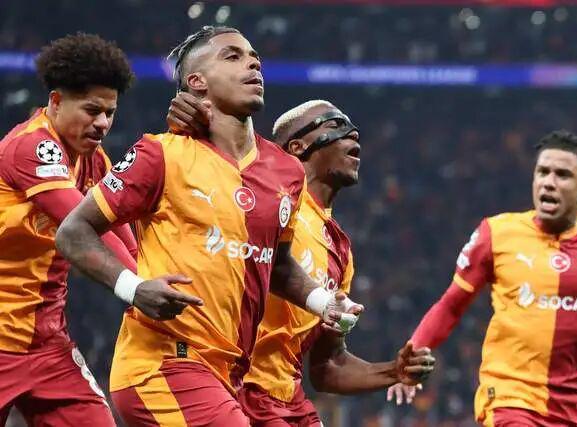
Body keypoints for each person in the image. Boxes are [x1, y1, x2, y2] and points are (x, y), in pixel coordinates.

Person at [55, 26, 362, 426]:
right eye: (232, 56)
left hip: (228, 374)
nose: (252, 64)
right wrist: (133, 288)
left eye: (254, 58)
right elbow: (73, 232)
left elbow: (277, 264)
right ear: (197, 82)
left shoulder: (285, 172)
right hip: (164, 363)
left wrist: (323, 302)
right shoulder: (161, 154)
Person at [168, 96, 435, 426]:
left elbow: (327, 366)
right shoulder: (264, 205)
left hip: (289, 400)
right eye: (336, 125)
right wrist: (197, 123)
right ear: (297, 146)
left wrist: (393, 371)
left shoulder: (340, 251)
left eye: (353, 128)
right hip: (238, 389)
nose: (353, 133)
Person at [389, 130, 577, 426]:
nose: (549, 182)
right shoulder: (496, 234)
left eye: (562, 175)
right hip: (509, 399)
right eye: (542, 172)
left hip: (576, 408)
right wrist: (412, 353)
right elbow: (451, 305)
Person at [0, 33, 137, 425]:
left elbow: (126, 238)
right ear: (56, 101)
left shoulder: (95, 161)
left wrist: (152, 282)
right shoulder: (31, 148)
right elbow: (85, 228)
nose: (102, 123)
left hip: (46, 345)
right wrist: (139, 289)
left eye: (110, 112)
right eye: (92, 110)